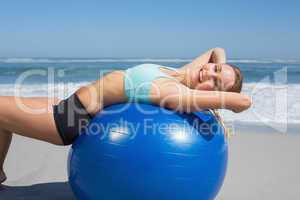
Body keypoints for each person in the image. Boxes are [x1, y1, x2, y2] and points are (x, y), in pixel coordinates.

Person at [0, 48, 251, 184]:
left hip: (70, 119)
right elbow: (216, 50)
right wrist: (221, 70)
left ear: (212, 94)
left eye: (214, 82)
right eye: (213, 69)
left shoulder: (173, 91)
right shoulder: (182, 73)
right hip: (68, 105)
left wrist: (218, 98)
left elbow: (241, 101)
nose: (208, 74)